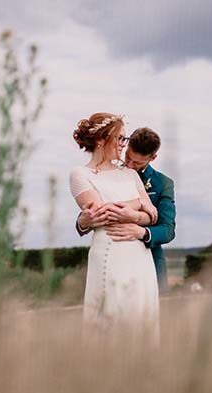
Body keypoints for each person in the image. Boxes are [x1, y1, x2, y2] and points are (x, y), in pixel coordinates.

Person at [70, 113, 159, 341]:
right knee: (110, 321)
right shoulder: (80, 174)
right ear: (101, 140)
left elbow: (153, 215)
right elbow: (102, 213)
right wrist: (139, 204)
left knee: (143, 321)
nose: (123, 144)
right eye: (120, 138)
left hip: (140, 256)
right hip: (110, 251)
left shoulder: (130, 173)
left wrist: (138, 213)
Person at [77, 127, 176, 293]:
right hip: (114, 260)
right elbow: (94, 207)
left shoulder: (163, 183)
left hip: (150, 260)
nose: (130, 165)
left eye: (137, 162)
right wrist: (83, 222)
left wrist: (142, 232)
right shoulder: (107, 172)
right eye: (128, 157)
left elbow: (168, 229)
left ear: (153, 158)